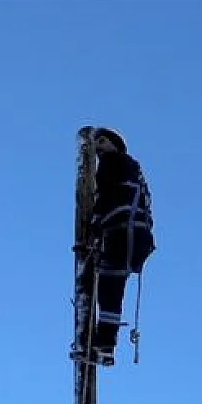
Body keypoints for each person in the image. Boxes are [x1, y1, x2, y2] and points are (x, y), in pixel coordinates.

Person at [77, 126, 154, 365]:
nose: (98, 147)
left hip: (122, 234)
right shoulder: (135, 169)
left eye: (102, 141)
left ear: (114, 145)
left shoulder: (113, 163)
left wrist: (95, 224)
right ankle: (105, 348)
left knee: (106, 289)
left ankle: (99, 344)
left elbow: (106, 196)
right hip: (137, 238)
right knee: (112, 291)